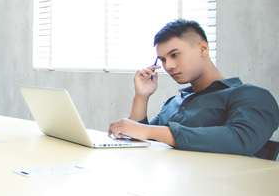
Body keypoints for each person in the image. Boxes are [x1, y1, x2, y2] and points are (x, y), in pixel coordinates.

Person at [108, 19, 279, 156]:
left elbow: (241, 139)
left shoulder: (250, 96)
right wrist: (142, 97)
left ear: (203, 48)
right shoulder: (175, 102)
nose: (169, 66)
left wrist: (148, 130)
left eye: (175, 55)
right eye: (163, 60)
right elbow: (141, 140)